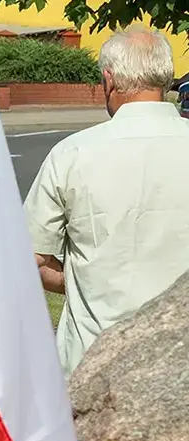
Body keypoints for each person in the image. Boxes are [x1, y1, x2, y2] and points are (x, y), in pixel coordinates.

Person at [26, 28, 189, 374]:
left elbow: (30, 258)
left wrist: (85, 279)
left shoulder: (71, 154)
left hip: (94, 361)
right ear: (167, 77)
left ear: (109, 80)